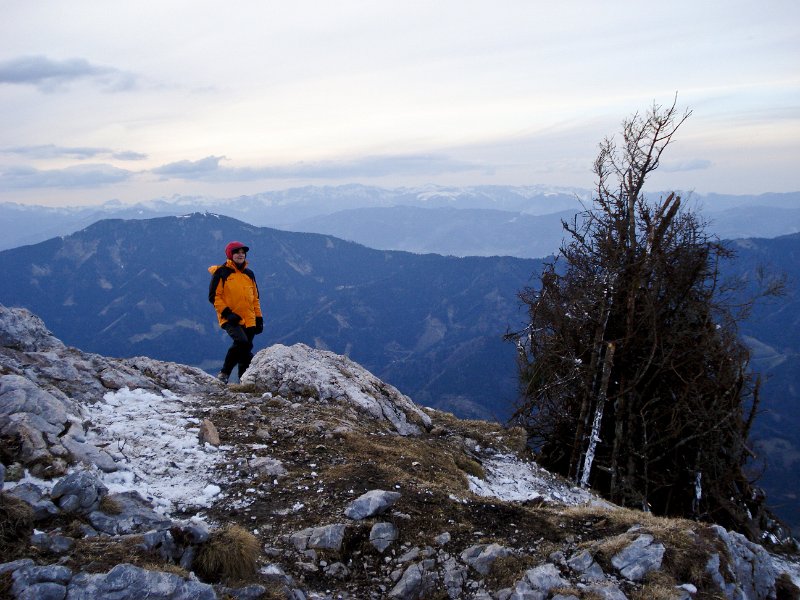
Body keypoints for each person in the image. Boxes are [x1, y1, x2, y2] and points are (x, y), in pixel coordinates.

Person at [208, 241, 264, 383]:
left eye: (242, 252)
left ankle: (243, 382)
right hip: (231, 318)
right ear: (230, 254)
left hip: (250, 318)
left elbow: (255, 298)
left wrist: (259, 318)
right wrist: (227, 313)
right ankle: (225, 373)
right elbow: (214, 296)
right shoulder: (221, 272)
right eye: (237, 252)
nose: (240, 254)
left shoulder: (249, 274)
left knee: (245, 351)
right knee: (242, 342)